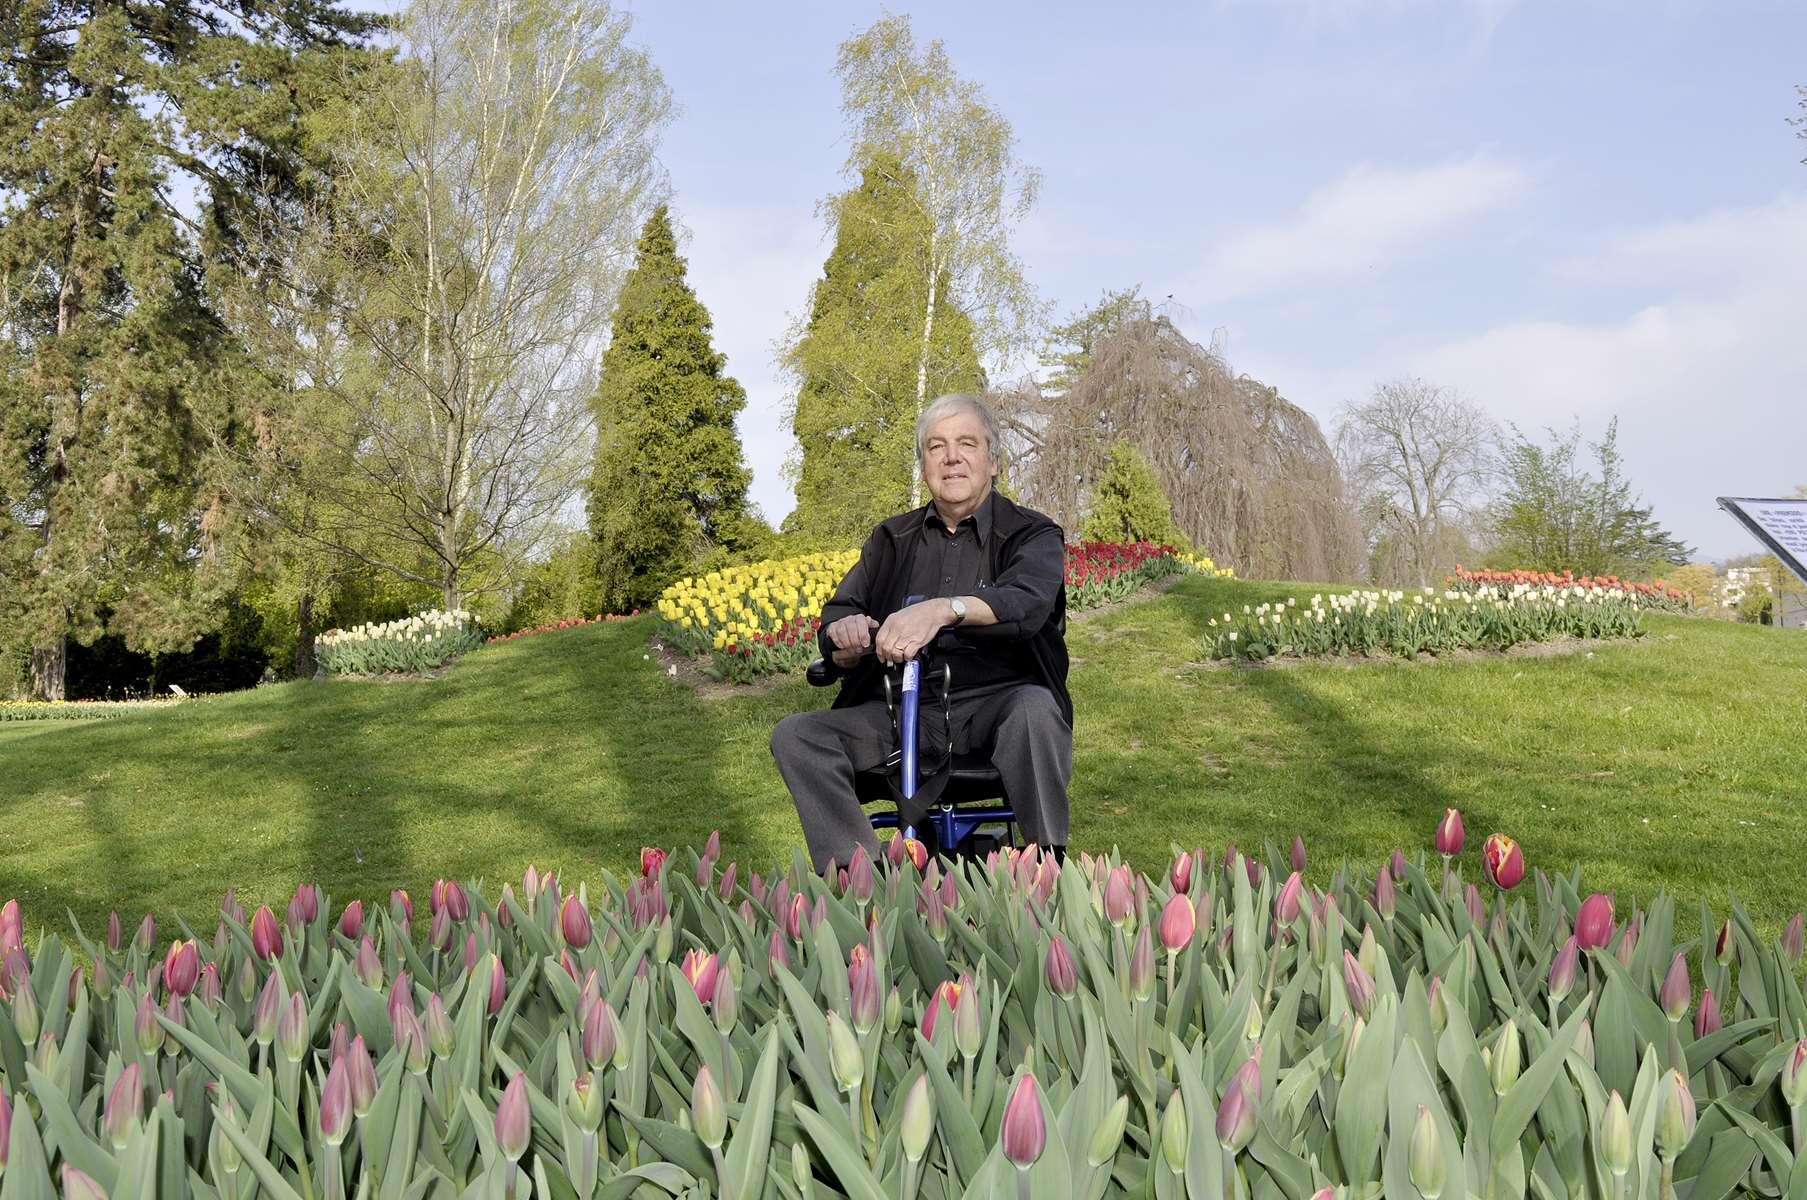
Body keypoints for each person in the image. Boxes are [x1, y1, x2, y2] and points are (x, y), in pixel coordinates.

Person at [770, 393, 1071, 872]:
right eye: (936, 447)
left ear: (993, 462)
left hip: (1000, 707)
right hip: (899, 710)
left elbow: (1027, 603)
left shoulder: (1031, 534)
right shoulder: (891, 539)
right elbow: (840, 614)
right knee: (797, 735)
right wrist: (843, 639)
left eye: (966, 444)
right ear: (924, 465)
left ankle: (1050, 874)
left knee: (1035, 710)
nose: (952, 457)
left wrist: (943, 610)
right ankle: (862, 883)